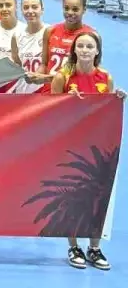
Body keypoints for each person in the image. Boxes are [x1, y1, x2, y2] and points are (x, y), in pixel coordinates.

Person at [51, 30, 121, 271]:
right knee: (72, 195)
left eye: (89, 46)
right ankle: (73, 246)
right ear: (74, 50)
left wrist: (118, 97)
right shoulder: (62, 77)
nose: (84, 50)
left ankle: (94, 247)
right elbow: (49, 111)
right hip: (71, 145)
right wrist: (66, 101)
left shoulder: (105, 77)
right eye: (80, 46)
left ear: (97, 51)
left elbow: (108, 109)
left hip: (98, 145)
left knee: (97, 196)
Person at [39, 0, 97, 93]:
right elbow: (44, 64)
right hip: (49, 92)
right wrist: (36, 75)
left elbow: (92, 71)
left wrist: (48, 78)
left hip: (74, 92)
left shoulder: (91, 35)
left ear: (84, 10)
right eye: (66, 8)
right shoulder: (50, 31)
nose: (70, 12)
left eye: (75, 9)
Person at [10, 0, 49, 93]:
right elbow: (17, 65)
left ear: (42, 9)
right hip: (23, 91)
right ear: (21, 10)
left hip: (44, 92)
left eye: (34, 7)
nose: (30, 11)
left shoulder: (51, 32)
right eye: (26, 8)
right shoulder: (16, 36)